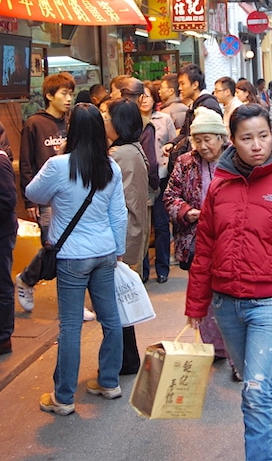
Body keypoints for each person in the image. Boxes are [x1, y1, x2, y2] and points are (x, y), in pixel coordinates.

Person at [186, 104, 272, 461]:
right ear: (233, 142)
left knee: (256, 389)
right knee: (254, 383)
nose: (257, 145)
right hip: (226, 304)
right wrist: (197, 304)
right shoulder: (219, 187)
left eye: (263, 136)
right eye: (247, 138)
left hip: (271, 303)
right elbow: (205, 248)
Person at [25, 103, 128, 415]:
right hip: (105, 251)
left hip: (71, 255)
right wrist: (119, 250)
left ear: (71, 130)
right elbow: (119, 214)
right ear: (100, 130)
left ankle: (64, 397)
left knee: (71, 326)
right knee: (111, 319)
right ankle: (109, 382)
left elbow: (33, 194)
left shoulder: (59, 166)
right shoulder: (111, 167)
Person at [163, 107, 239, 377]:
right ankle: (214, 348)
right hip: (197, 240)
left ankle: (236, 358)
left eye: (209, 139)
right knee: (204, 298)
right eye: (198, 140)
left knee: (229, 299)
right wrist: (186, 212)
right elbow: (170, 197)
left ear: (221, 138)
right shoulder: (185, 162)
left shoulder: (237, 160)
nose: (204, 146)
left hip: (232, 241)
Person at [16, 73, 85, 314]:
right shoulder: (35, 123)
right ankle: (27, 279)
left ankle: (71, 304)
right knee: (53, 248)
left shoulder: (72, 122)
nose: (69, 99)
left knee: (70, 248)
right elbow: (26, 162)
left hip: (72, 193)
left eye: (71, 94)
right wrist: (30, 199)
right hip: (46, 197)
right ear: (49, 95)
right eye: (64, 94)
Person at [104, 98, 149, 375]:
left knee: (117, 301)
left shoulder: (119, 155)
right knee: (120, 300)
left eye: (107, 118)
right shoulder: (134, 148)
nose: (104, 123)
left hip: (123, 235)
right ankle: (127, 359)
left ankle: (126, 360)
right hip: (133, 232)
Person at [140, 81, 176, 284]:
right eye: (141, 96)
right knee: (144, 227)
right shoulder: (133, 121)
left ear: (155, 98)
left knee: (161, 225)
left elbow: (174, 141)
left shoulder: (164, 119)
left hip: (161, 177)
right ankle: (143, 270)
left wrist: (170, 145)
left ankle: (163, 268)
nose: (145, 99)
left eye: (148, 95)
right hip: (141, 180)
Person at [164, 64, 222, 172]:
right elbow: (184, 132)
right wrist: (172, 143)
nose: (180, 88)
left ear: (195, 84)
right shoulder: (193, 105)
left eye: (182, 83)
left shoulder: (208, 105)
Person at [0, 148, 17, 355]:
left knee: (2, 285)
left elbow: (7, 200)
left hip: (2, 234)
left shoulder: (1, 161)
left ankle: (3, 338)